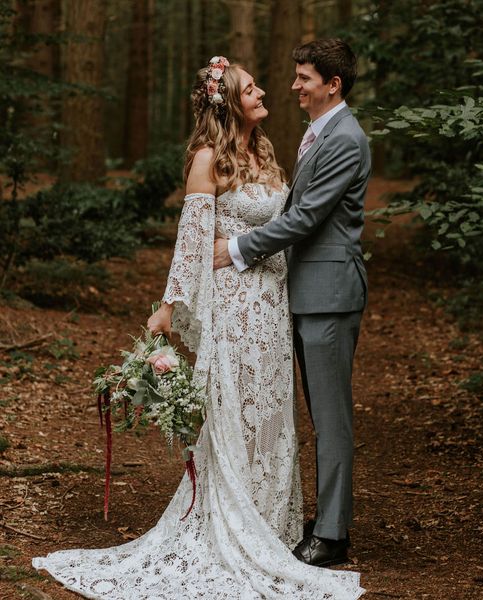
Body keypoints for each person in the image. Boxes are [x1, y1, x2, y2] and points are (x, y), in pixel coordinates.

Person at [32, 56, 365, 599]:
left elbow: (294, 220)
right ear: (229, 101)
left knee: (272, 416)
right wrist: (168, 306)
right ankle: (234, 523)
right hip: (235, 308)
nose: (267, 92)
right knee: (235, 414)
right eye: (252, 88)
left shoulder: (265, 151)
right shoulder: (208, 159)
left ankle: (273, 523)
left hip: (273, 307)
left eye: (264, 85)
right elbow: (191, 243)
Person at [214, 39, 371, 568]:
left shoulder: (345, 139)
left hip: (328, 295)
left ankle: (332, 534)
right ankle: (327, 515)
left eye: (304, 78)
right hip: (304, 293)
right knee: (318, 414)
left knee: (331, 418)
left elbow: (304, 219)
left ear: (333, 84)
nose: (294, 86)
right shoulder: (316, 134)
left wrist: (235, 248)